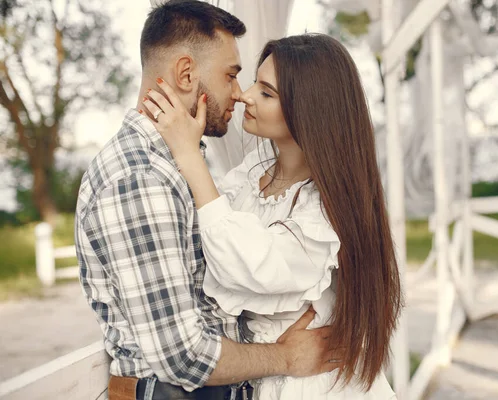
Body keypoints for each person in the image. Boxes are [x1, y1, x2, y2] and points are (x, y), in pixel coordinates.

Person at [74, 2, 341, 400]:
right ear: (186, 74)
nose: (239, 93)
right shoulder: (140, 178)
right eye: (231, 75)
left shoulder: (174, 165)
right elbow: (183, 356)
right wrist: (285, 357)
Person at [140, 33, 403, 399]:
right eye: (253, 83)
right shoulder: (252, 174)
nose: (245, 95)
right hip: (268, 375)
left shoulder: (323, 212)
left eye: (266, 93)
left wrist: (188, 155)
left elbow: (243, 264)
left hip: (314, 386)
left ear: (309, 110)